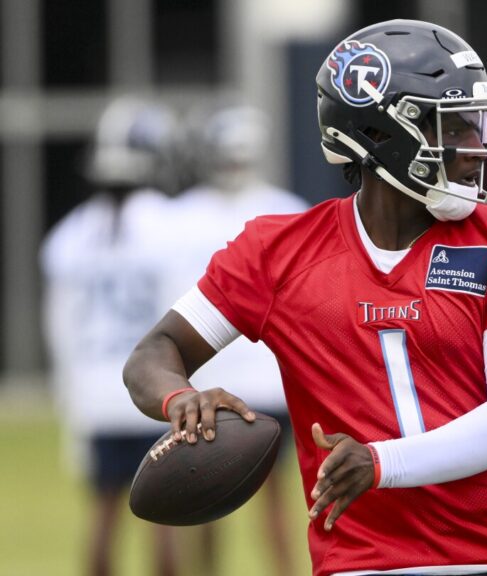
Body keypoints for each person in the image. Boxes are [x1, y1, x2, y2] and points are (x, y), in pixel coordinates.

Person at [124, 19, 487, 576]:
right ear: (379, 134)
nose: (476, 149)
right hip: (369, 563)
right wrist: (179, 400)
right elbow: (153, 353)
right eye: (453, 127)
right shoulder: (276, 252)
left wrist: (380, 462)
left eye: (477, 126)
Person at [41, 97, 181, 576]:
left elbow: (60, 326)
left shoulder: (70, 233)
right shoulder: (171, 223)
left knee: (103, 513)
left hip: (98, 390)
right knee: (165, 517)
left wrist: (71, 396)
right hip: (155, 388)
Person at [172, 102, 309, 576]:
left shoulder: (180, 216)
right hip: (265, 379)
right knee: (272, 498)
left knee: (207, 497)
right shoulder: (287, 209)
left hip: (211, 380)